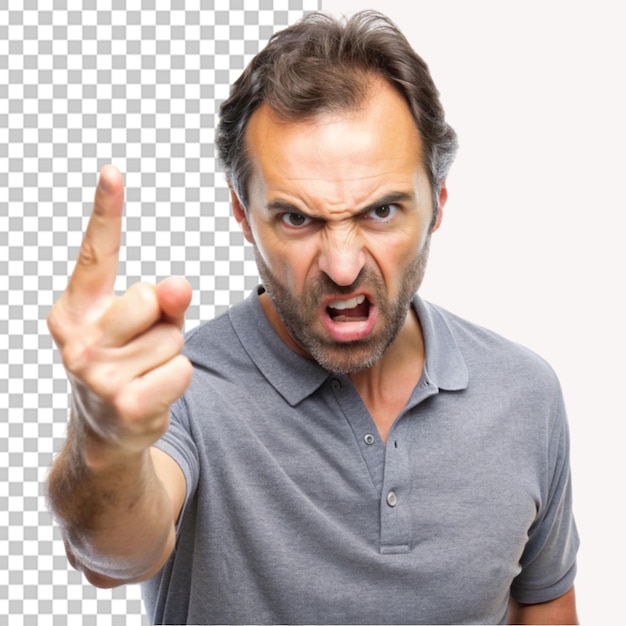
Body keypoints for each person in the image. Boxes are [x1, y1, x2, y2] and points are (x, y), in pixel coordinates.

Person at [46, 11, 579, 625]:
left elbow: (546, 607)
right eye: (298, 218)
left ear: (438, 204)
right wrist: (104, 443)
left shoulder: (525, 394)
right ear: (244, 216)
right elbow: (112, 553)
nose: (345, 266)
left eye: (381, 211)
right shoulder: (181, 390)